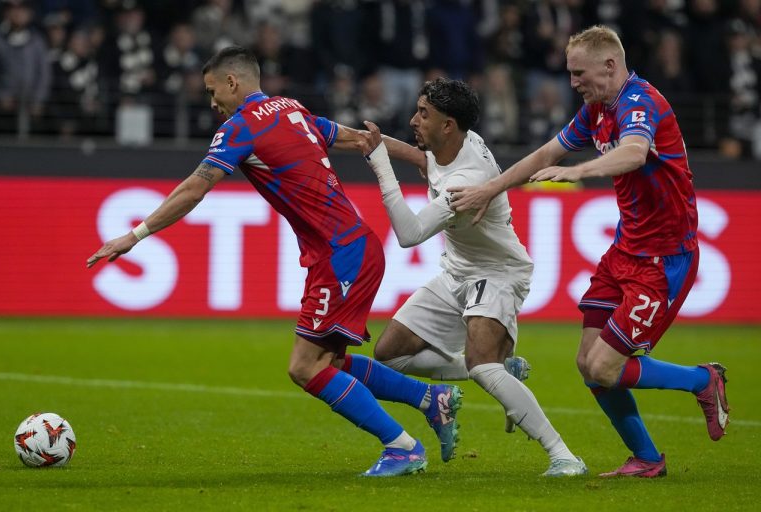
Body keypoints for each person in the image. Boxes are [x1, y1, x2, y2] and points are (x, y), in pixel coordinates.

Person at [86, 46, 463, 478]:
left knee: (305, 367)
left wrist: (134, 235)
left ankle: (403, 448)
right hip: (349, 248)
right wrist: (416, 156)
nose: (212, 103)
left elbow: (195, 188)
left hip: (341, 253)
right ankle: (430, 399)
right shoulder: (291, 109)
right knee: (331, 362)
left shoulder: (241, 125)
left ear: (233, 82)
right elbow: (352, 136)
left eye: (213, 92)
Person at [448, 25, 729, 478]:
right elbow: (543, 155)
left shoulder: (640, 102)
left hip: (664, 259)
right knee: (587, 364)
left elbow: (634, 154)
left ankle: (703, 380)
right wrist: (490, 189)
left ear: (610, 66)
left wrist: (578, 170)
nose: (573, 82)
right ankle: (647, 459)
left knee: (604, 366)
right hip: (625, 250)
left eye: (579, 73)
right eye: (570, 73)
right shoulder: (596, 110)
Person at [354, 77, 588, 477]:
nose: (413, 119)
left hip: (497, 272)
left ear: (448, 125)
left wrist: (379, 162)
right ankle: (499, 368)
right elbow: (425, 159)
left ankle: (563, 456)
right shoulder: (459, 139)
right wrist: (378, 143)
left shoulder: (469, 179)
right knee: (390, 354)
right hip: (457, 270)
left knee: (483, 365)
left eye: (423, 114)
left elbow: (409, 235)